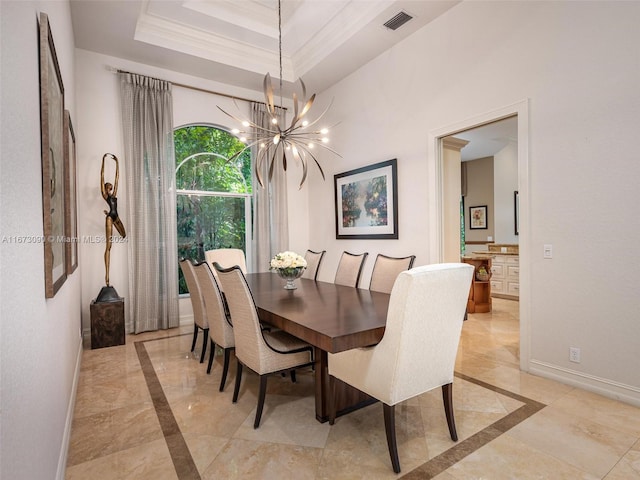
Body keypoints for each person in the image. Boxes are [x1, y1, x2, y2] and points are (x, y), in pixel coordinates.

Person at [101, 153, 126, 286]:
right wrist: (103, 161)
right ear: (105, 189)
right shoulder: (105, 196)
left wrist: (117, 163)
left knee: (124, 234)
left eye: (110, 188)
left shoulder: (114, 194)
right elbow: (101, 177)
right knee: (108, 246)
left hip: (116, 216)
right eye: (108, 188)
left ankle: (118, 229)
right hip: (110, 217)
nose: (110, 190)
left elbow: (117, 179)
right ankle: (107, 276)